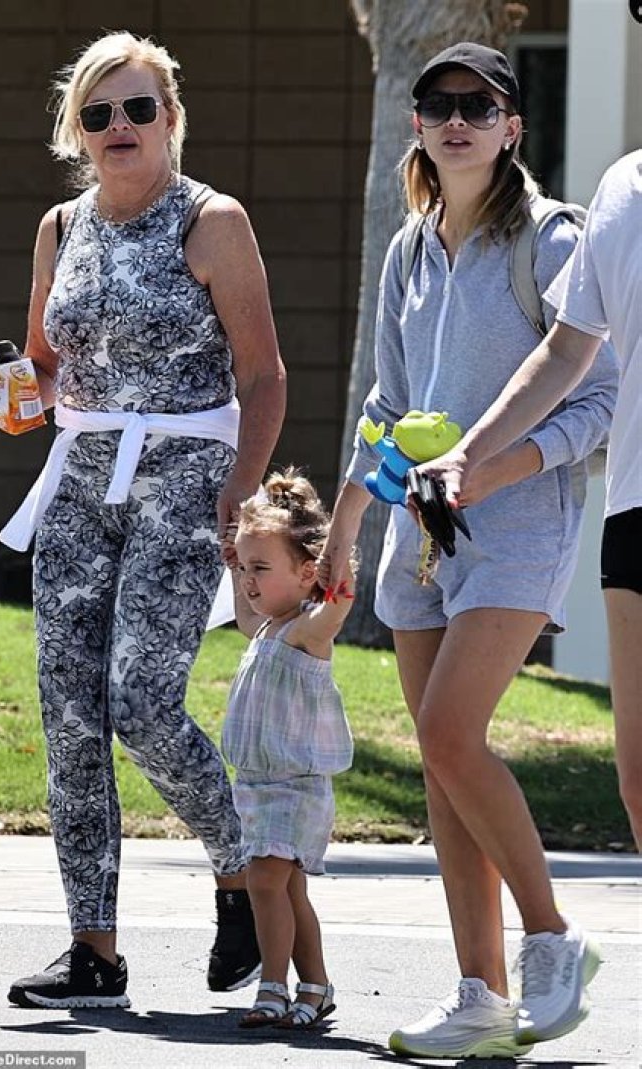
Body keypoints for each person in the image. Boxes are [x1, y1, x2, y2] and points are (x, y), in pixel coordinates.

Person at [0, 30, 286, 1008]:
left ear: (170, 118)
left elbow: (263, 375)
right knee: (71, 717)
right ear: (78, 132)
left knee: (140, 700)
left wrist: (239, 495)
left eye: (138, 108)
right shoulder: (60, 226)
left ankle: (242, 870)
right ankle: (93, 949)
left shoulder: (212, 222)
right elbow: (44, 385)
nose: (119, 126)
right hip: (81, 476)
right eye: (99, 113)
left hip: (187, 468)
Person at [319, 42, 618, 1059]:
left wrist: (502, 467)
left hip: (523, 528)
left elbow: (600, 399)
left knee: (451, 735)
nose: (458, 120)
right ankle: (482, 999)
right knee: (445, 773)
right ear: (418, 125)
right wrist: (353, 514)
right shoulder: (409, 248)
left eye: (479, 106)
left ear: (512, 127)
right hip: (420, 540)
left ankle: (552, 936)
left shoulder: (553, 238)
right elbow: (388, 404)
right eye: (439, 104)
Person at [419, 148, 642, 852]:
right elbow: (568, 348)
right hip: (636, 506)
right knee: (638, 779)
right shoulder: (623, 185)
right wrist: (473, 451)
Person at [221, 469, 355, 1029]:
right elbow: (245, 608)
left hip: (294, 787)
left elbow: (336, 608)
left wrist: (340, 571)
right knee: (290, 892)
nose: (249, 581)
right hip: (257, 785)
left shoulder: (306, 630)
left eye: (261, 568)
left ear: (305, 575)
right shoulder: (263, 628)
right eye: (244, 567)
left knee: (266, 884)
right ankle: (316, 986)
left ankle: (271, 988)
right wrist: (235, 565)